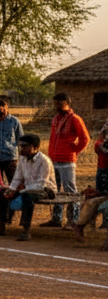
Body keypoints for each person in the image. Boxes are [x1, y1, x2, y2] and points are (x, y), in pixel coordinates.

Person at [0, 133, 56, 241]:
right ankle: (1, 226)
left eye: (25, 146)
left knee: (27, 197)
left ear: (35, 147)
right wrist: (11, 190)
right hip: (27, 187)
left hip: (45, 189)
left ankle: (26, 230)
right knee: (3, 193)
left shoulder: (44, 161)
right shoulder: (22, 159)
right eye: (21, 146)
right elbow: (17, 178)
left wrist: (21, 190)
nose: (22, 149)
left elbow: (41, 183)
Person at [42, 93, 89, 228]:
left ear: (67, 103)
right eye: (55, 104)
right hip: (54, 159)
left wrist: (74, 150)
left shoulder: (75, 119)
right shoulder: (55, 119)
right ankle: (56, 219)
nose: (56, 106)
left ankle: (73, 220)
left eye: (59, 104)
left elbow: (85, 138)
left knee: (70, 191)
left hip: (67, 160)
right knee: (55, 190)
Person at [72, 119, 108, 242]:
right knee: (95, 200)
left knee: (98, 200)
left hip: (104, 169)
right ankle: (80, 225)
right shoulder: (102, 141)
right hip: (104, 170)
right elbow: (102, 145)